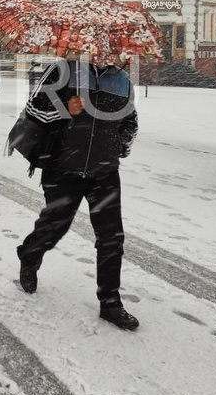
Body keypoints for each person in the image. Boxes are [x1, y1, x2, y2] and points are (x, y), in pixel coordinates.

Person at [16, 57, 140, 331]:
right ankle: (30, 255)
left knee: (111, 237)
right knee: (55, 225)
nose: (106, 54)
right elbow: (33, 111)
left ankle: (110, 303)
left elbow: (131, 122)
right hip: (64, 168)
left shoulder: (121, 80)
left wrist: (116, 144)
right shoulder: (62, 70)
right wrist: (64, 109)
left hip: (104, 172)